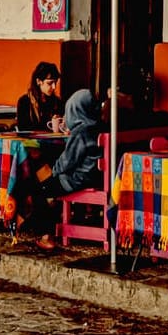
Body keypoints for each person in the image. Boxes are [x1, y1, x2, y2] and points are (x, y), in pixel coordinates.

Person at [20, 88, 104, 249]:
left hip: (77, 180)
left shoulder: (80, 132)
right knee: (47, 184)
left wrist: (53, 171)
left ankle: (46, 235)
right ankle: (39, 220)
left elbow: (67, 161)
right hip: (94, 176)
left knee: (42, 188)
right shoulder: (97, 127)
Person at [16, 62, 65, 133]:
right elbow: (23, 129)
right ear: (38, 81)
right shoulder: (25, 102)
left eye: (55, 82)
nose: (54, 87)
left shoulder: (57, 102)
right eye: (50, 83)